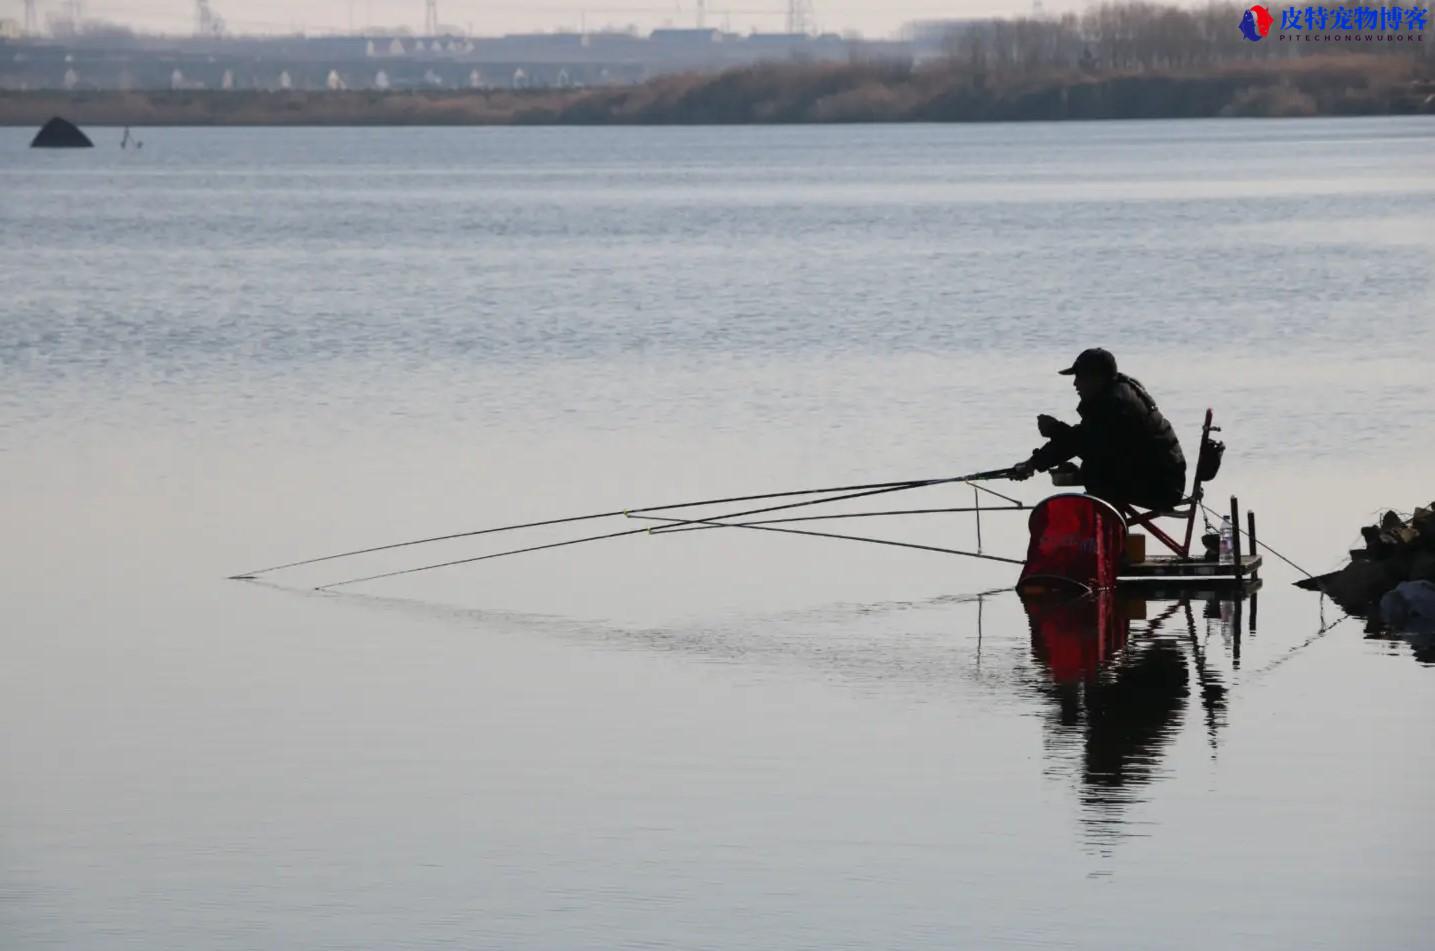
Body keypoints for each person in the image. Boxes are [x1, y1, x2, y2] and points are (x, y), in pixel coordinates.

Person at [1011, 348, 1186, 510]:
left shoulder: (1114, 403)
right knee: (1093, 471)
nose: (1075, 383)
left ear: (1098, 378)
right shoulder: (1119, 393)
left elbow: (1081, 442)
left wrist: (1034, 461)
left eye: (1079, 377)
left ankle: (1105, 539)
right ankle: (1110, 538)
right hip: (1163, 478)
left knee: (1095, 478)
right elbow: (1093, 443)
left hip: (1162, 487)